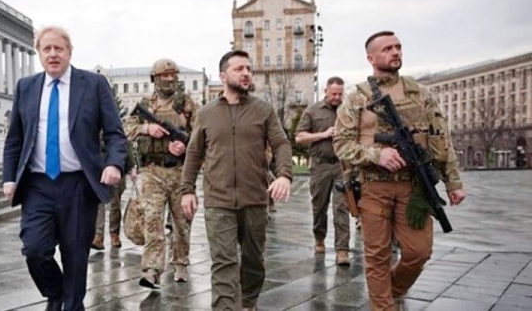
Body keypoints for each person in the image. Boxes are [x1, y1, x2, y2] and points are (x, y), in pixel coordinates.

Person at [333, 31, 466, 311]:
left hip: (414, 186)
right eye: (387, 49)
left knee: (419, 252)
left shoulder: (420, 94)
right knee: (377, 256)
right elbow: (341, 144)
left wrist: (453, 182)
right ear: (371, 58)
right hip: (373, 188)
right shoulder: (357, 97)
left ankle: (390, 291)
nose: (395, 53)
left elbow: (441, 138)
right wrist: (376, 154)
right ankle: (383, 306)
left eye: (398, 47)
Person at [2, 26, 127, 311]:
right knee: (35, 249)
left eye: (59, 48)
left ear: (69, 51)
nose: (53, 54)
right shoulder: (26, 87)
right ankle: (55, 292)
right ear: (39, 54)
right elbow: (15, 139)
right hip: (37, 184)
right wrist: (9, 178)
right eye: (46, 49)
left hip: (78, 185)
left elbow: (115, 133)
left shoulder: (93, 84)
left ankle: (71, 305)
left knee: (75, 254)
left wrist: (114, 163)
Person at [180, 50, 293, 311]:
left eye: (248, 69)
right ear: (223, 76)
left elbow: (281, 144)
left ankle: (249, 302)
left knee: (254, 260)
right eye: (239, 69)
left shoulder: (263, 110)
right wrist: (187, 190)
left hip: (255, 198)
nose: (246, 73)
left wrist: (285, 175)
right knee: (223, 262)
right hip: (218, 201)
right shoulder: (206, 113)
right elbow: (194, 153)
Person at [124, 58, 197, 288]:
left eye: (173, 75)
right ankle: (152, 269)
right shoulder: (146, 105)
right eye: (164, 75)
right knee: (152, 221)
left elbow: (202, 135)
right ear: (155, 78)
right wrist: (147, 128)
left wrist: (186, 147)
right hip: (152, 172)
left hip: (179, 173)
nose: (169, 79)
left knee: (181, 223)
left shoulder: (187, 104)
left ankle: (181, 263)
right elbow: (127, 128)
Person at [295, 76, 351, 265]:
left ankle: (342, 250)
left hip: (341, 165)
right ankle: (319, 238)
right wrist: (324, 134)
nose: (337, 97)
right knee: (319, 207)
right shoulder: (313, 111)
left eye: (340, 94)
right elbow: (299, 137)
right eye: (334, 93)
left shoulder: (348, 111)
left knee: (341, 207)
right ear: (325, 91)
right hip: (320, 166)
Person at [91, 178, 126, 250]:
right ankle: (99, 235)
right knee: (99, 203)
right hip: (99, 171)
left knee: (115, 204)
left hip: (116, 171)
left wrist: (132, 169)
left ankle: (114, 234)